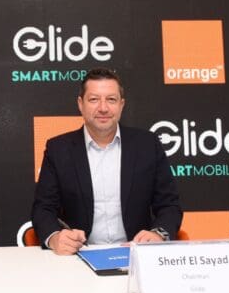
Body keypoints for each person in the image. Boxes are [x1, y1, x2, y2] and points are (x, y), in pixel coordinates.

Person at [31, 68, 182, 255]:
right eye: (94, 99)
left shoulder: (148, 145)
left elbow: (169, 205)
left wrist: (158, 234)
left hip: (137, 255)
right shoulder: (58, 149)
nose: (103, 108)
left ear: (121, 104)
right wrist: (55, 238)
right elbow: (43, 209)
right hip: (78, 255)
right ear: (80, 104)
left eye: (111, 99)